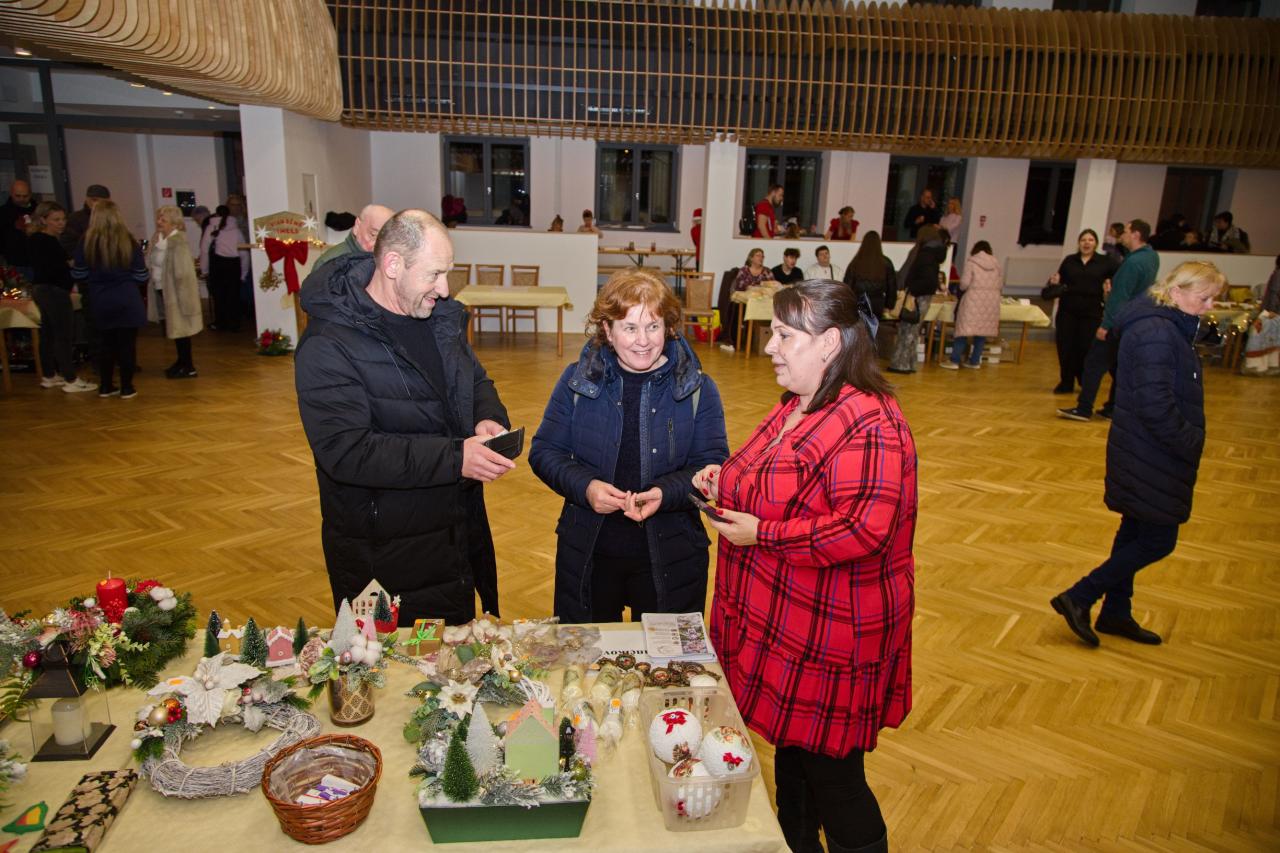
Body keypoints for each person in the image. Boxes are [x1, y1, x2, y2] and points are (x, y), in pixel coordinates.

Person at [694, 280, 916, 853]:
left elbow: (863, 528)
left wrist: (762, 532)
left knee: (835, 780)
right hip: (789, 620)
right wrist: (725, 481)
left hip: (832, 632)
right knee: (794, 756)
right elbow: (773, 477)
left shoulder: (870, 421)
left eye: (784, 335)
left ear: (830, 342)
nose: (771, 346)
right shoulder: (801, 401)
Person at [295, 209, 514, 625]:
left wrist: (486, 416)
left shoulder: (438, 318)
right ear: (393, 264)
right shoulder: (328, 344)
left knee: (452, 650)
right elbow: (347, 452)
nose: (444, 288)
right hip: (382, 553)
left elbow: (474, 379)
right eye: (434, 274)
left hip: (453, 534)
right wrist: (457, 458)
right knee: (395, 661)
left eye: (447, 273)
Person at [529, 269, 728, 622]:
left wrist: (665, 493)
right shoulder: (577, 381)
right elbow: (545, 452)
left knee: (663, 656)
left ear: (668, 328)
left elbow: (711, 464)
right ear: (607, 330)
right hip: (590, 554)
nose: (643, 341)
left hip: (671, 556)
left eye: (653, 326)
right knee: (588, 655)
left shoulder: (698, 388)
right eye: (630, 327)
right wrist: (586, 487)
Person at [1051, 261, 1224, 648]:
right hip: (1152, 451)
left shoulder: (1164, 326)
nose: (1210, 306)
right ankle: (1079, 596)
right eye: (1204, 298)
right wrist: (1190, 441)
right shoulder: (1156, 332)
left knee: (1135, 532)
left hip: (1146, 450)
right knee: (1159, 539)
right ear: (1176, 292)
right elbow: (1154, 404)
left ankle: (1116, 611)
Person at [1059, 219, 1159, 421]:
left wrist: (1106, 325)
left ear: (1136, 235)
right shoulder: (1151, 256)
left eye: (1126, 231)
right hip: (1133, 319)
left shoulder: (1132, 263)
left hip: (1119, 321)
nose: (1122, 234)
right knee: (1118, 365)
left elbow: (1120, 297)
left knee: (1093, 363)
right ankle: (1113, 407)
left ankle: (1084, 408)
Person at [71, 200, 147, 399]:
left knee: (105, 344)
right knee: (127, 345)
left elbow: (78, 274)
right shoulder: (128, 241)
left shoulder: (86, 241)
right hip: (127, 297)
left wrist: (96, 278)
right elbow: (141, 276)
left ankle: (105, 386)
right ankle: (127, 387)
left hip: (100, 298)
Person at [27, 202, 95, 392]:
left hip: (43, 289)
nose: (61, 223)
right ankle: (70, 379)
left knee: (48, 333)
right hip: (53, 290)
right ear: (43, 220)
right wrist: (71, 265)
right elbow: (57, 268)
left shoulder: (38, 239)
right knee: (63, 335)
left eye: (63, 219)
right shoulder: (46, 241)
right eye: (56, 220)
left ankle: (49, 375)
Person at [1044, 229, 1119, 393]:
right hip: (1067, 311)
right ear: (1079, 243)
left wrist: (1110, 286)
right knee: (1065, 347)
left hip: (1091, 312)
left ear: (1096, 243)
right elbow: (1058, 281)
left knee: (1085, 347)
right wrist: (1053, 281)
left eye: (1090, 240)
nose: (1086, 243)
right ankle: (1066, 381)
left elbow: (1118, 278)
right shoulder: (1069, 261)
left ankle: (1083, 378)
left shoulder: (1105, 262)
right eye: (1083, 240)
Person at [146, 205, 202, 379]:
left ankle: (188, 366)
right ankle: (181, 361)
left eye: (163, 220)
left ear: (174, 222)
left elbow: (183, 273)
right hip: (162, 288)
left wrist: (185, 299)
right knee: (174, 329)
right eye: (159, 218)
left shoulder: (177, 242)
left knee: (181, 329)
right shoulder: (158, 239)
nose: (159, 222)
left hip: (176, 293)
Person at [889, 224, 947, 374]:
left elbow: (925, 280)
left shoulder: (924, 255)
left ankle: (901, 364)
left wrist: (912, 290)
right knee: (913, 331)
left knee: (907, 330)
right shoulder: (933, 254)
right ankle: (909, 363)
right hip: (923, 297)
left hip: (916, 296)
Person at [942, 241, 1003, 370]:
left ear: (975, 250)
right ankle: (975, 361)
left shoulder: (971, 263)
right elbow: (1000, 284)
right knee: (982, 332)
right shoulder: (996, 264)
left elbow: (964, 283)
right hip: (991, 300)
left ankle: (954, 360)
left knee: (963, 331)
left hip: (973, 299)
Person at [717, 248, 775, 354]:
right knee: (735, 307)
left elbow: (772, 285)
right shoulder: (744, 270)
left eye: (762, 256)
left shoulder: (766, 271)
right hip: (744, 302)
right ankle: (735, 340)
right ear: (751, 258)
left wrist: (756, 287)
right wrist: (758, 286)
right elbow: (740, 286)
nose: (761, 258)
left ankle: (759, 341)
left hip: (760, 301)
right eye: (758, 255)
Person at [844, 230, 897, 332]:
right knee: (874, 332)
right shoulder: (886, 263)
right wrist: (889, 305)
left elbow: (848, 285)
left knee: (859, 331)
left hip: (859, 302)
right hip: (878, 303)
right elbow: (892, 287)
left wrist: (848, 304)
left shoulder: (855, 262)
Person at [314, 203, 393, 268]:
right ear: (357, 226)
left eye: (384, 239)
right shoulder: (329, 262)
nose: (378, 245)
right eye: (373, 235)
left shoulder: (386, 263)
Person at [61, 184, 111, 255]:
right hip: (85, 258)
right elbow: (68, 245)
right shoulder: (75, 218)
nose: (97, 204)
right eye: (94, 200)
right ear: (87, 199)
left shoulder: (111, 217)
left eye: (103, 201)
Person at [0, 179, 36, 278]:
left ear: (30, 194)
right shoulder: (3, 213)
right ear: (11, 193)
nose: (21, 199)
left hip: (37, 259)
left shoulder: (38, 210)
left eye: (25, 196)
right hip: (14, 261)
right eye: (18, 196)